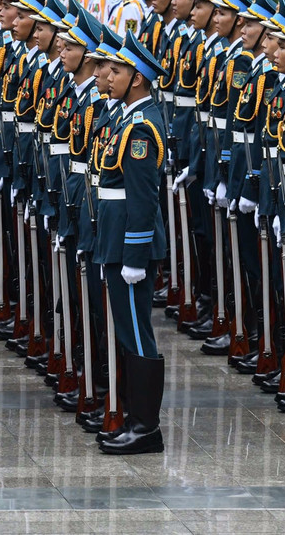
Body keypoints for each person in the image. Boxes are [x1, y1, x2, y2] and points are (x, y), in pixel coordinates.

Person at [92, 35, 169, 455]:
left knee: (137, 333)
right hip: (117, 238)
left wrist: (136, 253)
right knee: (127, 330)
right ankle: (135, 420)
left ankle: (146, 427)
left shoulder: (141, 127)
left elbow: (143, 197)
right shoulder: (128, 117)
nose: (108, 77)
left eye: (117, 72)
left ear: (137, 78)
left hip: (129, 244)